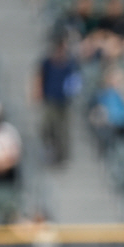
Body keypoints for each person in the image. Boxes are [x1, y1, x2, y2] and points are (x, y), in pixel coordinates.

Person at [34, 37, 81, 166]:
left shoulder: (69, 63)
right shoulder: (48, 62)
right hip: (50, 99)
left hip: (64, 101)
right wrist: (37, 92)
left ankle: (62, 155)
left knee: (63, 129)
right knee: (47, 127)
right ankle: (50, 150)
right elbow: (40, 76)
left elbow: (74, 81)